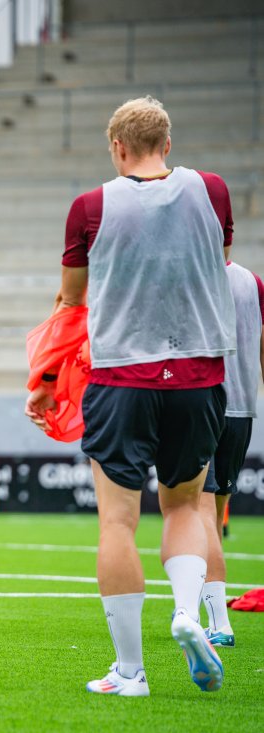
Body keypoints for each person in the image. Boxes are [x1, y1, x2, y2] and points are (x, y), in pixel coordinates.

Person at [26, 96, 235, 696]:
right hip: (198, 376)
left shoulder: (90, 206)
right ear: (167, 144)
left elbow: (70, 305)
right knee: (184, 507)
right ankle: (189, 615)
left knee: (118, 523)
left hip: (121, 378)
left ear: (117, 148)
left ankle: (130, 672)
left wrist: (42, 385)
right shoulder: (213, 190)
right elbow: (214, 261)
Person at [199, 259, 264, 648]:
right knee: (214, 512)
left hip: (200, 405)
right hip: (242, 410)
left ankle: (216, 620)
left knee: (198, 513)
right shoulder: (253, 283)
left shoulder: (189, 269)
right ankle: (197, 609)